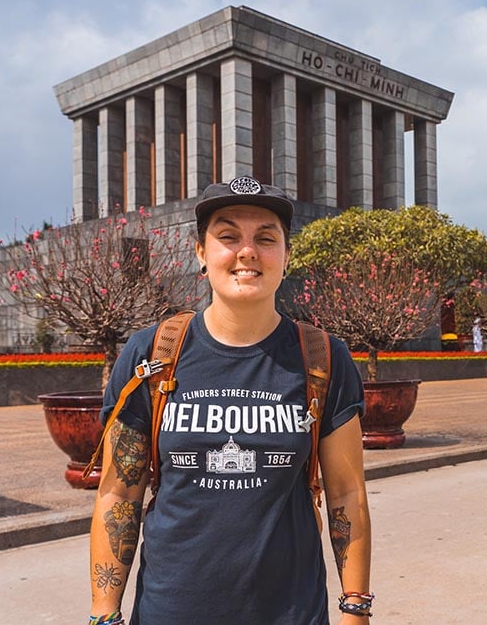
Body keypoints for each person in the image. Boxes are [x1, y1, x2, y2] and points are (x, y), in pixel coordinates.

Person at [88, 176, 372, 625]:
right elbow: (119, 493)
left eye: (266, 238)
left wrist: (355, 608)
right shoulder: (153, 354)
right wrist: (104, 615)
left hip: (291, 610)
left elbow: (346, 492)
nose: (247, 252)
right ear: (201, 253)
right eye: (227, 236)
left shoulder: (323, 358)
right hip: (172, 608)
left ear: (286, 256)